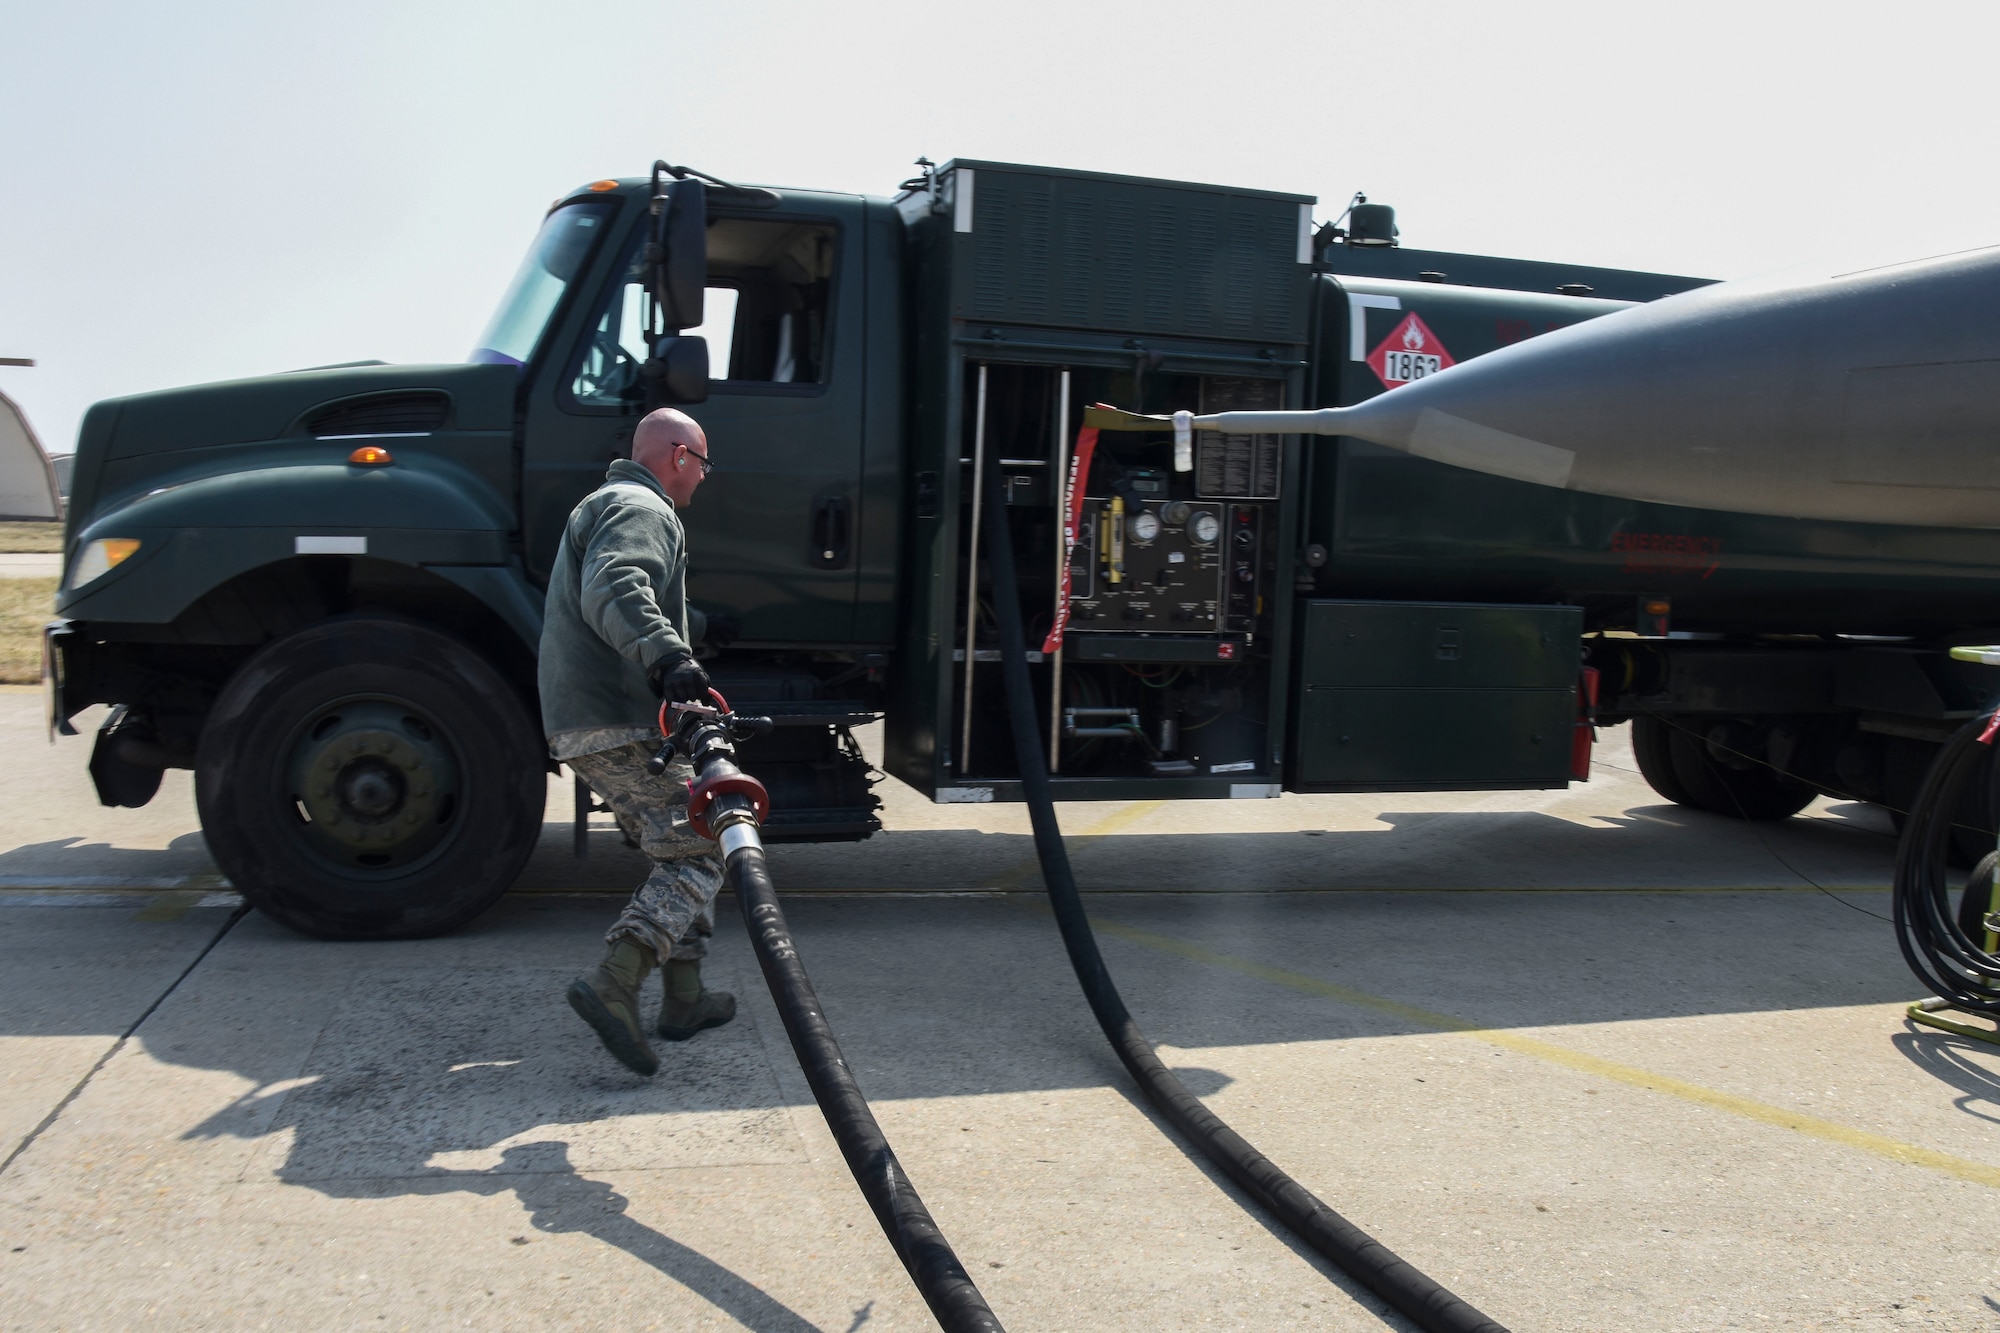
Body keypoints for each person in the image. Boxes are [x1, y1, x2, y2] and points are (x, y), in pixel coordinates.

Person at [538, 407, 734, 1076]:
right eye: (703, 465)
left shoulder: (609, 501)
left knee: (684, 835)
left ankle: (684, 998)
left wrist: (693, 628)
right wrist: (668, 656)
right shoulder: (642, 505)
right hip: (614, 716)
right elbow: (614, 585)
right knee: (704, 848)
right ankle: (615, 981)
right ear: (679, 455)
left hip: (590, 717)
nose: (703, 480)